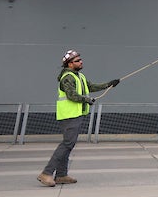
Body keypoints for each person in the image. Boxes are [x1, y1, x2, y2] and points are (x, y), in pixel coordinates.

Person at [37, 50, 120, 187]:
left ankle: (61, 175)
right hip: (69, 115)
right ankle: (46, 173)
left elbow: (91, 86)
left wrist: (109, 84)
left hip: (75, 115)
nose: (81, 62)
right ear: (70, 64)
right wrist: (86, 100)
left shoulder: (79, 76)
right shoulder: (67, 77)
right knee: (67, 144)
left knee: (68, 144)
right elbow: (71, 95)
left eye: (80, 60)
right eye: (77, 61)